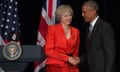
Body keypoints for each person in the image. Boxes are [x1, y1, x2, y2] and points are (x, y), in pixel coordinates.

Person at [80, 0, 115, 72]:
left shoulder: (105, 27)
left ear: (93, 11)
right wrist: (80, 59)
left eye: (84, 12)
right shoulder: (88, 28)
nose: (82, 14)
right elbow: (91, 52)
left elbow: (110, 54)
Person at [44, 5, 80, 72]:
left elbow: (76, 51)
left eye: (70, 15)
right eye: (65, 16)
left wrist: (75, 60)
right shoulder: (52, 29)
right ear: (60, 17)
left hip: (71, 65)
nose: (69, 18)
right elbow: (48, 51)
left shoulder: (76, 31)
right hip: (55, 65)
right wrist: (67, 58)